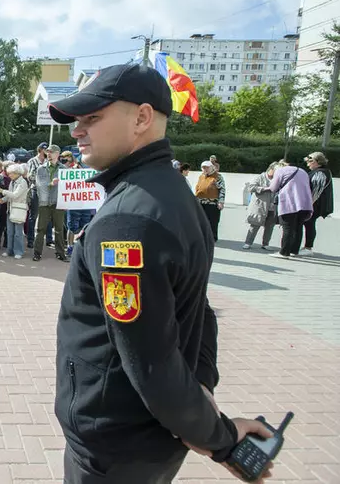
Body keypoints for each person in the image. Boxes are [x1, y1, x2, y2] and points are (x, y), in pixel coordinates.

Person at [47, 63, 274, 483]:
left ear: (142, 118)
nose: (77, 131)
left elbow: (150, 362)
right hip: (145, 437)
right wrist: (202, 387)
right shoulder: (170, 194)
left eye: (92, 118)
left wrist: (220, 439)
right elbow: (197, 307)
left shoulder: (128, 220)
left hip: (114, 442)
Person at [265, 161, 313, 259]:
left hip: (289, 203)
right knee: (298, 227)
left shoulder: (280, 171)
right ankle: (294, 251)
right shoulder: (302, 171)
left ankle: (284, 252)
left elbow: (273, 188)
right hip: (305, 203)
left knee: (287, 228)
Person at [302, 152, 334, 255]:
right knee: (308, 223)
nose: (308, 164)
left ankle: (308, 248)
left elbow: (316, 191)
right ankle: (307, 247)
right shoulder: (321, 171)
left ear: (317, 162)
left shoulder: (320, 173)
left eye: (310, 162)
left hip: (315, 204)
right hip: (314, 203)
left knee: (309, 223)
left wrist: (309, 204)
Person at [243, 162, 280, 251]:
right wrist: (265, 189)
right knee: (255, 224)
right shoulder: (260, 177)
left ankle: (265, 243)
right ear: (271, 169)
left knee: (269, 226)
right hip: (260, 205)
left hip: (272, 206)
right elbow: (251, 187)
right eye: (277, 170)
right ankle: (248, 242)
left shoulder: (278, 179)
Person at [0, 163, 28, 259]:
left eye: (11, 173)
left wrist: (2, 191)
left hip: (18, 209)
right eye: (9, 173)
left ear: (17, 173)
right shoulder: (12, 182)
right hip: (10, 209)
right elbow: (10, 195)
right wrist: (2, 200)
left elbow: (15, 195)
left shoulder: (23, 182)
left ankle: (19, 251)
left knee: (18, 233)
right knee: (9, 232)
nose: (9, 175)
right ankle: (9, 250)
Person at [195, 160, 225, 242]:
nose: (205, 169)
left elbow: (222, 189)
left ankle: (212, 238)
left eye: (207, 167)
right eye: (203, 167)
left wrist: (221, 201)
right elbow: (198, 187)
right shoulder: (201, 176)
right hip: (201, 202)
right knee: (201, 221)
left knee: (213, 221)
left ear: (212, 168)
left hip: (212, 203)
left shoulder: (218, 176)